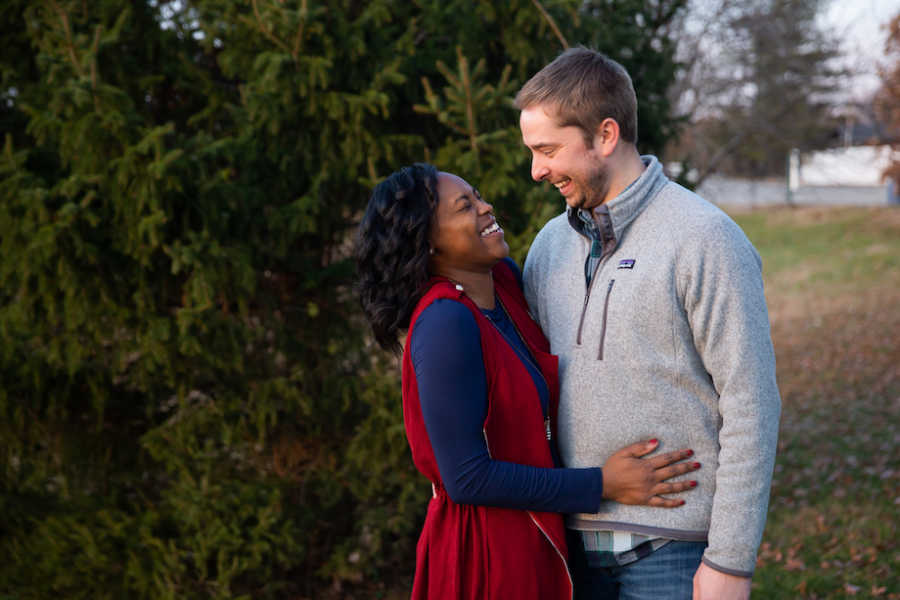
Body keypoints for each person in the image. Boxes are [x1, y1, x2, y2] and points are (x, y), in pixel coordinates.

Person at [355, 163, 703, 600]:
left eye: (478, 194)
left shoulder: (504, 286)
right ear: (426, 244)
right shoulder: (444, 321)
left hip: (546, 533)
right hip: (490, 552)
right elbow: (466, 477)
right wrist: (602, 485)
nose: (486, 207)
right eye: (466, 207)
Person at [516, 48, 781, 600]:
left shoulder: (704, 238)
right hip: (571, 550)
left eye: (547, 150)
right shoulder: (547, 248)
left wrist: (730, 561)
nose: (537, 170)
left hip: (675, 553)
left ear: (606, 135)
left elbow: (751, 401)